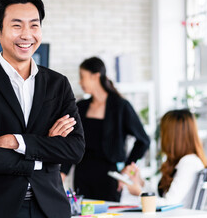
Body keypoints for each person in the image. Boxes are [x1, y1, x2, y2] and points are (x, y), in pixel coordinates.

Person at [0, 0, 85, 218]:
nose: (27, 34)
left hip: (51, 209)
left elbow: (75, 149)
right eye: (17, 25)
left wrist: (16, 142)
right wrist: (45, 150)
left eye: (34, 25)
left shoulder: (58, 84)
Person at [60, 57, 150, 202]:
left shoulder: (120, 106)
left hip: (110, 177)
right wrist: (62, 172)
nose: (80, 82)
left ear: (95, 76)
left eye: (82, 77)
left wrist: (127, 169)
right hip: (83, 175)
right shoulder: (81, 107)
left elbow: (143, 140)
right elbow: (72, 142)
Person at [122, 109, 207, 208]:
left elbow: (169, 203)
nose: (161, 137)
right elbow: (162, 197)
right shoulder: (185, 161)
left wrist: (139, 193)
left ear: (173, 136)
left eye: (163, 132)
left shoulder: (189, 162)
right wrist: (140, 182)